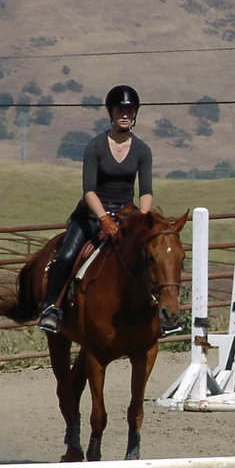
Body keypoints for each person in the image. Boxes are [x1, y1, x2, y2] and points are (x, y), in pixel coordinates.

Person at [38, 84, 153, 333]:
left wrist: (143, 219)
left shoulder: (142, 150)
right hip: (91, 216)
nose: (125, 115)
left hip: (126, 214)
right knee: (67, 255)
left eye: (130, 110)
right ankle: (51, 307)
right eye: (120, 110)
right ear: (110, 112)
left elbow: (146, 191)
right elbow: (89, 190)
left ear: (135, 113)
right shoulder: (96, 146)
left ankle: (157, 310)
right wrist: (103, 218)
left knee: (149, 256)